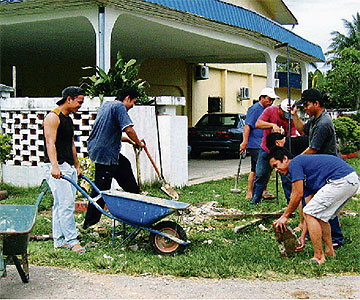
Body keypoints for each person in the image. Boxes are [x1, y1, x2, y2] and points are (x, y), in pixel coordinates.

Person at [269, 147, 359, 264]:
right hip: (350, 181)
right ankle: (329, 251)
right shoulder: (303, 174)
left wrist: (285, 216)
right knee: (319, 215)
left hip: (341, 180)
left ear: (285, 159)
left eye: (276, 165)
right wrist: (303, 235)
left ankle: (318, 257)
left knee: (310, 213)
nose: (276, 170)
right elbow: (309, 206)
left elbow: (297, 194)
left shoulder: (295, 163)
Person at [83, 87, 144, 229]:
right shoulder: (119, 107)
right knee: (100, 189)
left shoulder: (107, 105)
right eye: (133, 102)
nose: (132, 106)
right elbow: (128, 129)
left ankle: (136, 202)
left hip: (101, 150)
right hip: (106, 154)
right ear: (127, 98)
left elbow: (109, 133)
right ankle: (90, 223)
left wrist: (130, 141)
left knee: (125, 167)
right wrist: (138, 142)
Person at [292, 88, 344, 248]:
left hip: (328, 170)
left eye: (306, 105)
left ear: (316, 103)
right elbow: (302, 130)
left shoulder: (324, 123)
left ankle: (335, 238)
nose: (305, 109)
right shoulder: (315, 119)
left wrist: (295, 162)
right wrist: (294, 114)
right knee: (312, 200)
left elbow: (312, 149)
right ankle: (312, 232)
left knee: (325, 202)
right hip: (319, 168)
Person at [43, 86, 86, 253]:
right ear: (69, 99)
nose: (79, 106)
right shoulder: (53, 117)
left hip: (68, 165)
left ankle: (60, 241)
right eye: (79, 102)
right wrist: (54, 166)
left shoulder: (68, 118)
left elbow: (71, 143)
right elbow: (50, 143)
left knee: (60, 205)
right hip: (57, 165)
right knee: (67, 205)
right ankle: (72, 241)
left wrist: (77, 165)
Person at [251, 98, 297, 204]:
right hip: (266, 148)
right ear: (280, 109)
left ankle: (290, 201)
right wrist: (272, 125)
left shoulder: (291, 119)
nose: (286, 117)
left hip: (282, 150)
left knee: (286, 177)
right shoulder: (270, 111)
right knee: (261, 174)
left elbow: (293, 135)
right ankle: (255, 200)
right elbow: (258, 123)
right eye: (285, 114)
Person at [239, 87, 278, 200]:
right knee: (256, 169)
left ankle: (263, 190)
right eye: (269, 99)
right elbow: (247, 126)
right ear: (262, 98)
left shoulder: (268, 110)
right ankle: (250, 192)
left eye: (272, 100)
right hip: (256, 144)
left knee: (267, 167)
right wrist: (244, 142)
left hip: (266, 143)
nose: (271, 102)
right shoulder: (255, 109)